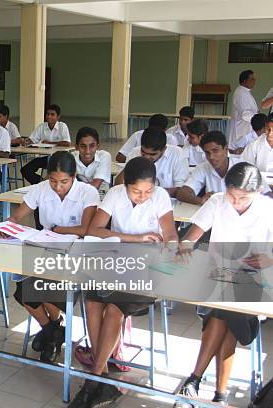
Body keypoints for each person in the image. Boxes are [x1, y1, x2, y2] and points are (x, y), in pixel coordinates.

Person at [69, 157, 179, 408]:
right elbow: (95, 230)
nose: (143, 196)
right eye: (137, 191)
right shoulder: (115, 194)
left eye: (148, 191)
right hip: (115, 266)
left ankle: (95, 378)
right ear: (125, 184)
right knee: (93, 303)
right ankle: (102, 376)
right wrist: (135, 238)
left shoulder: (160, 196)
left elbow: (171, 233)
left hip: (147, 271)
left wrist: (170, 248)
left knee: (114, 309)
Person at [174, 162, 273, 408]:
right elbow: (192, 235)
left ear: (258, 191)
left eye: (243, 198)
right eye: (232, 195)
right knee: (225, 311)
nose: (236, 202)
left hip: (255, 282)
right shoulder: (218, 202)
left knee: (224, 312)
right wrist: (185, 247)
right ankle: (219, 394)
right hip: (219, 279)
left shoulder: (268, 209)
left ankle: (195, 379)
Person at [0, 151, 99, 362]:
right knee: (25, 289)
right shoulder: (41, 189)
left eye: (63, 181)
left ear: (73, 177)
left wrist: (57, 229)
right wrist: (6, 227)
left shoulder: (87, 192)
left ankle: (51, 331)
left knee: (39, 287)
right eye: (53, 180)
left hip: (74, 254)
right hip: (43, 249)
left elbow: (86, 229)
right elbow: (17, 216)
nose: (57, 186)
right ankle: (53, 330)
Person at [177, 131, 269, 205]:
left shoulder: (244, 168)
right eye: (207, 153)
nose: (211, 157)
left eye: (215, 151)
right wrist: (200, 200)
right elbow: (182, 193)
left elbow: (267, 193)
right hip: (214, 218)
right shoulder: (203, 168)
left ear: (225, 150)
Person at [117, 127, 190, 198]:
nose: (147, 157)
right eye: (143, 152)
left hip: (167, 202)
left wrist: (151, 193)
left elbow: (180, 189)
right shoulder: (135, 152)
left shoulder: (177, 154)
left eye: (152, 154)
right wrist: (130, 166)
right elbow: (118, 186)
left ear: (164, 149)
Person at [21, 104, 71, 185]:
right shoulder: (42, 126)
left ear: (58, 117)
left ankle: (45, 184)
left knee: (54, 173)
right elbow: (33, 139)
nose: (49, 116)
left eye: (52, 114)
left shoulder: (62, 126)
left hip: (59, 158)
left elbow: (67, 143)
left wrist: (50, 143)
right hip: (44, 157)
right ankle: (41, 183)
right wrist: (26, 141)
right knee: (25, 170)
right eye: (47, 114)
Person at [71, 127, 112, 192]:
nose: (87, 151)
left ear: (97, 146)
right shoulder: (71, 158)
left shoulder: (104, 156)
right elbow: (68, 185)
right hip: (78, 196)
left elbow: (95, 187)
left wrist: (76, 186)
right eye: (83, 146)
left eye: (92, 146)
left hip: (100, 195)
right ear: (76, 147)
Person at [227, 70, 258, 147]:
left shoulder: (245, 92)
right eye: (252, 79)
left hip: (246, 131)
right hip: (241, 132)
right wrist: (259, 120)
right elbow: (245, 114)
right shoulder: (241, 93)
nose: (254, 81)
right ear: (244, 81)